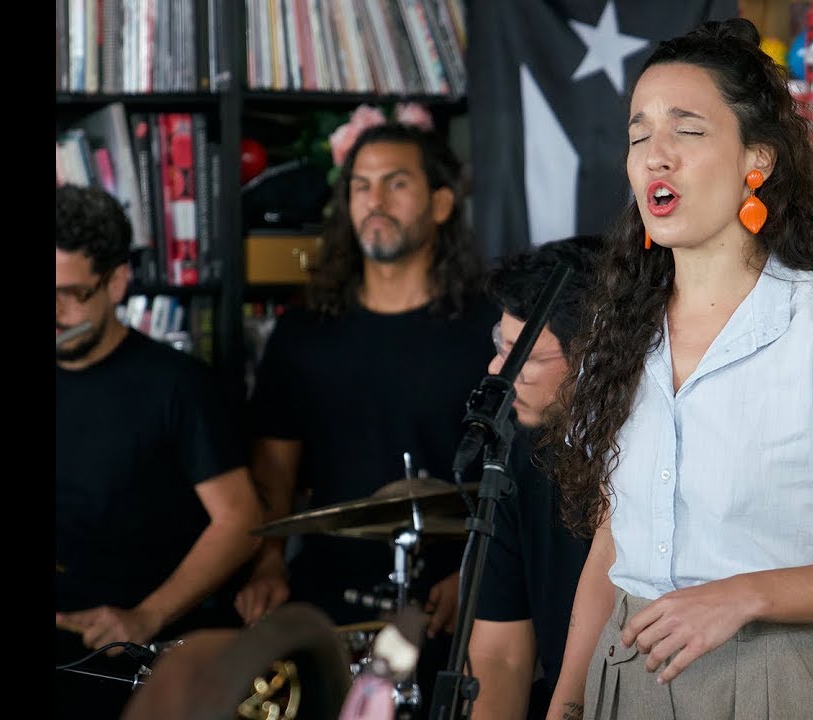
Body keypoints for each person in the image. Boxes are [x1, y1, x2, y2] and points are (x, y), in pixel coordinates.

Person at [540, 19, 813, 720]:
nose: (654, 156)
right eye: (639, 136)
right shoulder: (618, 329)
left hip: (764, 677)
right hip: (621, 670)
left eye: (686, 131)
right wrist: (568, 701)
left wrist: (747, 593)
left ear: (757, 160)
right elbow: (614, 539)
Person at [234, 121, 499, 715]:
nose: (373, 202)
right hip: (329, 600)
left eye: (395, 183)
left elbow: (529, 476)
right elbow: (274, 473)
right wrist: (269, 563)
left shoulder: (492, 330)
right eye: (360, 186)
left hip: (453, 604)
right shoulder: (304, 334)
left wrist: (480, 578)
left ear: (441, 202)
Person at [55, 184, 264, 720]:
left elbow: (239, 520)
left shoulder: (178, 385)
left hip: (138, 658)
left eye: (73, 293)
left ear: (117, 281)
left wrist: (147, 616)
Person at [468, 236, 603, 720]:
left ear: (595, 357)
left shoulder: (653, 454)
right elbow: (498, 653)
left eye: (522, 355)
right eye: (499, 345)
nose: (496, 369)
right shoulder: (516, 450)